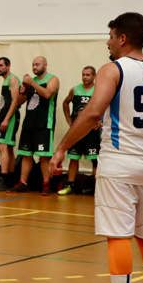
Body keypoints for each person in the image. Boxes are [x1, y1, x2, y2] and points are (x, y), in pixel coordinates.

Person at [50, 12, 143, 283]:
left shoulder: (112, 69)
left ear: (122, 39)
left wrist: (61, 148)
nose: (108, 41)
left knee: (118, 236)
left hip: (121, 163)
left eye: (111, 35)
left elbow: (92, 113)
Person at [11, 56, 60, 195]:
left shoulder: (53, 79)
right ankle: (23, 183)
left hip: (44, 124)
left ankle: (46, 184)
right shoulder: (31, 82)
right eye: (33, 65)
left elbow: (47, 94)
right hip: (29, 123)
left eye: (37, 64)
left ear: (45, 65)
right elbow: (20, 102)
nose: (34, 67)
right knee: (26, 154)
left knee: (44, 156)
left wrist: (31, 82)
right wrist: (23, 89)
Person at [57, 66, 99, 195]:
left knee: (95, 159)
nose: (85, 77)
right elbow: (65, 103)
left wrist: (101, 121)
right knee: (73, 157)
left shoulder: (98, 90)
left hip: (92, 131)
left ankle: (96, 187)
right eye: (83, 74)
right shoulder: (75, 90)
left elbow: (106, 107)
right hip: (77, 131)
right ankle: (70, 185)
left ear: (94, 76)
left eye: (88, 75)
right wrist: (69, 121)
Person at [0, 57, 21, 191]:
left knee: (3, 147)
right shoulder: (6, 81)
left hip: (11, 118)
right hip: (6, 117)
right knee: (8, 149)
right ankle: (11, 179)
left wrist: (7, 119)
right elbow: (5, 104)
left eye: (1, 65)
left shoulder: (12, 79)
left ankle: (4, 179)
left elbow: (14, 101)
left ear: (8, 66)